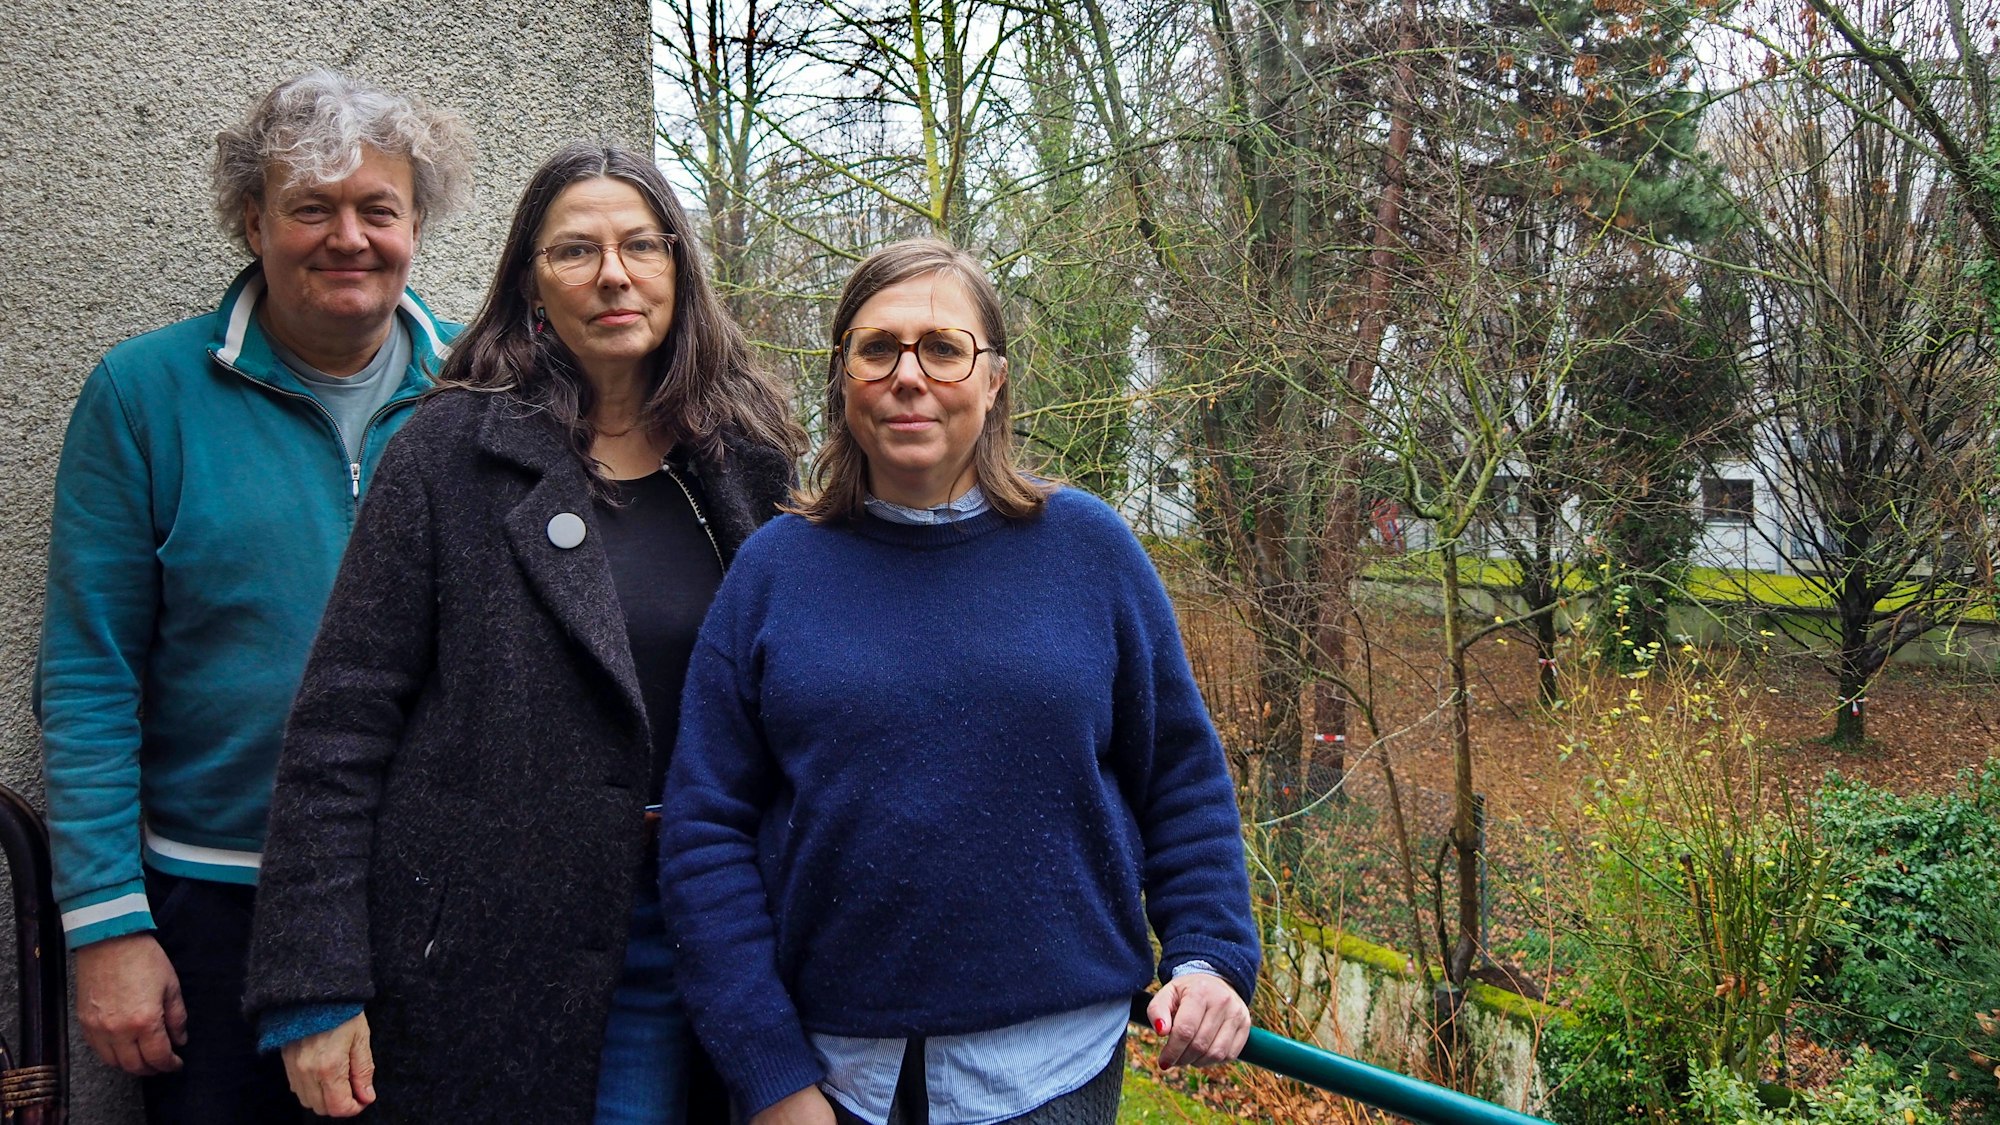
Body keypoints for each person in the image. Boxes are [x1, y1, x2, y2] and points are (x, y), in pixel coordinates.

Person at [241, 141, 802, 1125]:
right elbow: (338, 730)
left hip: (719, 923)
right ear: (531, 285)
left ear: (679, 266)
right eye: (574, 251)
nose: (614, 273)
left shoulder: (748, 460)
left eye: (641, 245)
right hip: (491, 948)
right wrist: (313, 983)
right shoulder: (449, 453)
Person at [662, 239, 1261, 1125]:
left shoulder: (1089, 552)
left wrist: (1210, 954)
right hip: (828, 1083)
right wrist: (770, 1074)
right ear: (843, 378)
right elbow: (704, 831)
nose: (910, 375)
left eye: (944, 348)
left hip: (1052, 1075)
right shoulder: (773, 573)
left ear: (994, 381)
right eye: (878, 348)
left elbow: (1180, 776)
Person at [33, 71, 471, 1124]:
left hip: (435, 906)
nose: (348, 238)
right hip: (216, 905)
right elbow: (89, 671)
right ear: (251, 220)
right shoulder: (144, 396)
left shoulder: (481, 397)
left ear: (418, 224)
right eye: (311, 208)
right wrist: (105, 925)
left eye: (378, 209)